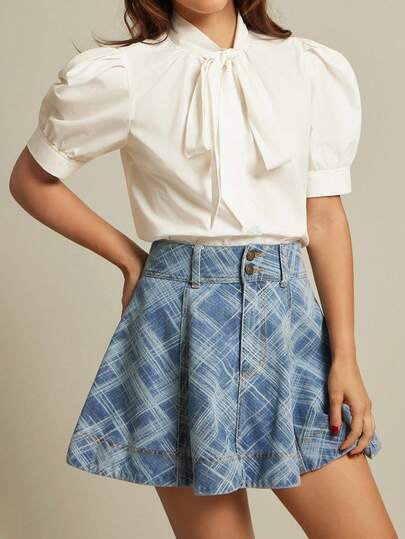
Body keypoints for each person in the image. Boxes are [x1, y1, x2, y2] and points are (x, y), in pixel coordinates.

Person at [10, 0, 398, 537]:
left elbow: (324, 217)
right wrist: (129, 258)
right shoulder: (126, 74)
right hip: (180, 325)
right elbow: (32, 181)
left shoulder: (307, 67)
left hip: (288, 322)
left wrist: (346, 356)